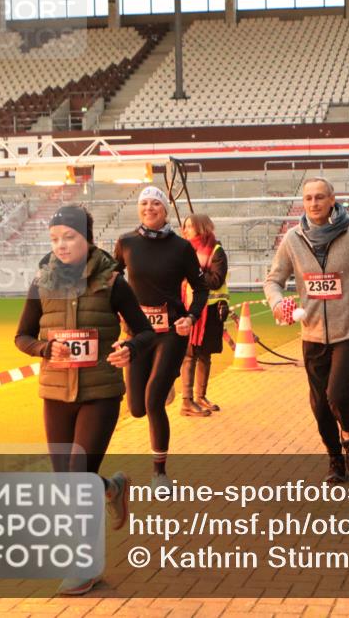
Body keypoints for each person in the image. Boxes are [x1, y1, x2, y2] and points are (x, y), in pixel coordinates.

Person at [14, 206, 155, 595]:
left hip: (101, 393)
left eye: (69, 237)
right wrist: (44, 348)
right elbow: (22, 337)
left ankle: (84, 567)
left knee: (75, 481)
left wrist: (129, 348)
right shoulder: (41, 282)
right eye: (55, 238)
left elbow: (145, 333)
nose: (61, 245)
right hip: (56, 394)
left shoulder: (112, 282)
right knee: (68, 483)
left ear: (87, 239)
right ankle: (111, 488)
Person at [265, 177, 349, 483]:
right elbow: (274, 280)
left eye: (319, 197)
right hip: (311, 333)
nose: (313, 203)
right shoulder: (293, 239)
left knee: (336, 395)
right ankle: (335, 459)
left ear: (332, 200)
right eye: (308, 198)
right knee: (319, 406)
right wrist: (276, 303)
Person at [114, 186, 208, 490]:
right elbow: (111, 280)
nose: (149, 207)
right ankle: (163, 386)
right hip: (138, 334)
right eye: (144, 203)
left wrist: (190, 317)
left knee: (153, 401)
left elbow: (202, 288)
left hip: (171, 332)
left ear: (165, 210)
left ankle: (159, 473)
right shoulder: (125, 243)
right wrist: (115, 310)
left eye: (156, 203)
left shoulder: (181, 248)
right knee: (137, 408)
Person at [180, 213, 229, 415]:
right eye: (185, 226)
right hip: (188, 309)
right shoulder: (181, 250)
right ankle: (186, 400)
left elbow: (216, 280)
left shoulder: (216, 250)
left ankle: (200, 396)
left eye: (190, 226)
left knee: (204, 355)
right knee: (189, 355)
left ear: (201, 228)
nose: (186, 230)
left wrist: (195, 272)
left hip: (209, 311)